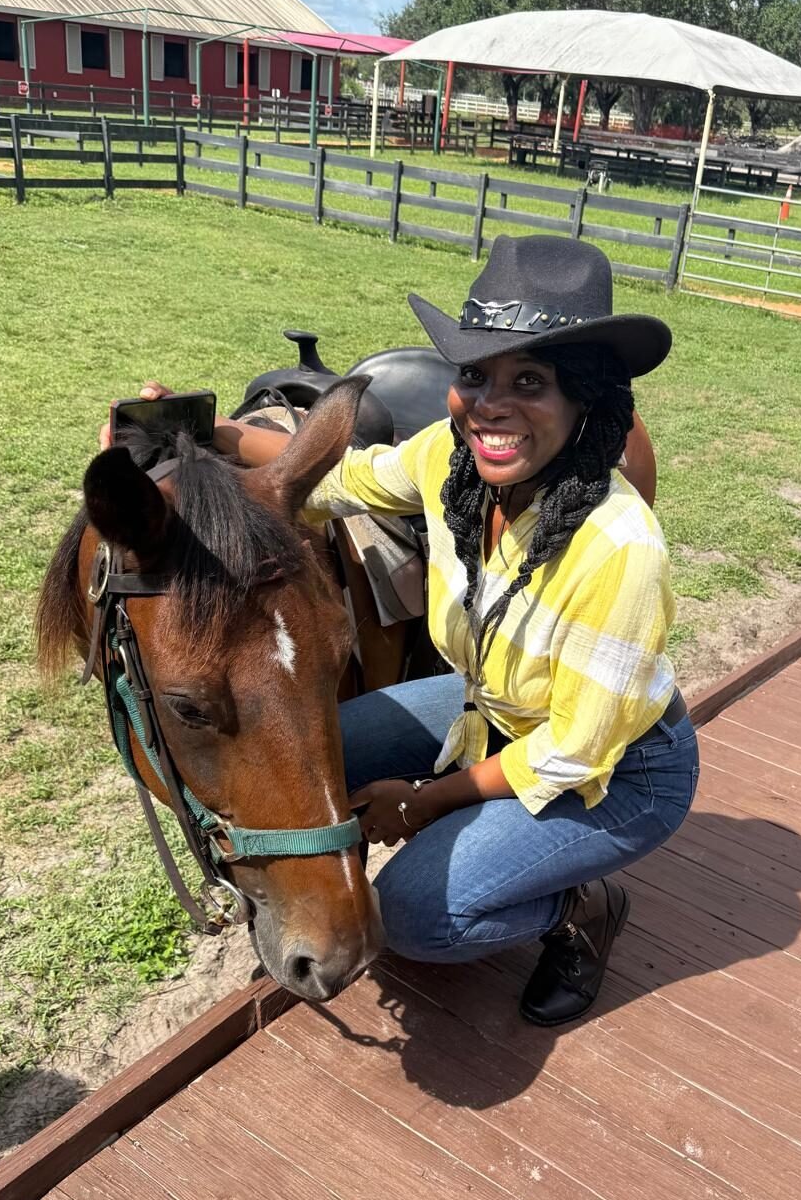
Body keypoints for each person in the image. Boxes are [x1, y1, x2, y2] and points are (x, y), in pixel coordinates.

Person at [106, 235, 698, 1026]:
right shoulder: (451, 458)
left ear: (584, 398)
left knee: (417, 919)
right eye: (475, 376)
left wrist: (423, 802)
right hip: (494, 705)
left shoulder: (620, 548)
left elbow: (574, 749)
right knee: (319, 752)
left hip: (614, 767)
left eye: (529, 381)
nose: (489, 405)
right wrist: (200, 438)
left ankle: (580, 912)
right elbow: (339, 481)